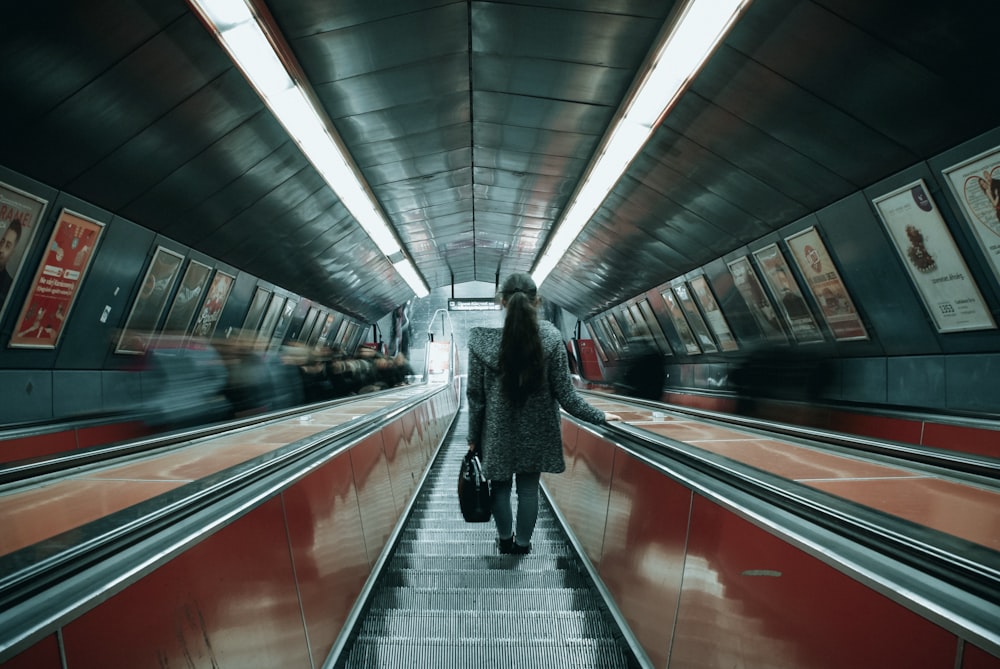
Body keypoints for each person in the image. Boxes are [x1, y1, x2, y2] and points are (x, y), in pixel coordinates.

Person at [467, 272, 620, 555]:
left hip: (496, 432)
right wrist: (600, 415)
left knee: (499, 488)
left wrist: (473, 436)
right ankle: (522, 545)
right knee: (528, 490)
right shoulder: (550, 339)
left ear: (501, 301)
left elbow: (475, 398)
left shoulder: (480, 343)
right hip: (537, 432)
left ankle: (504, 541)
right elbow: (566, 395)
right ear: (537, 302)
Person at [0, 220, 23, 304]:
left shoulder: (8, 285)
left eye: (7, 246)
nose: (1, 249)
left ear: (12, 253)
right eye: (2, 242)